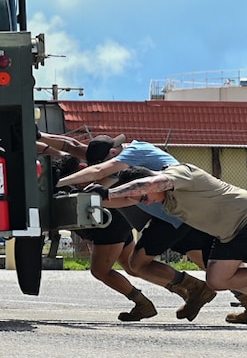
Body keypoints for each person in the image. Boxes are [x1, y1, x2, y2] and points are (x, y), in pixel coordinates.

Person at [100, 162, 247, 325]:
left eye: (144, 196)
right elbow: (133, 196)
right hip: (229, 234)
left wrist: (110, 191)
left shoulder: (179, 173)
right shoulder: (169, 204)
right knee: (217, 280)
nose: (145, 202)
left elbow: (151, 183)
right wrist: (98, 196)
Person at [58, 137, 219, 320]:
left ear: (112, 154)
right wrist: (97, 197)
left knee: (136, 265)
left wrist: (59, 184)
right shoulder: (125, 164)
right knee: (205, 260)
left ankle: (195, 289)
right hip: (172, 215)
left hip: (174, 216)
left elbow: (98, 170)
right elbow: (125, 199)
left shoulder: (134, 152)